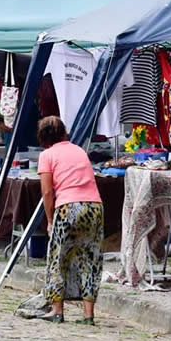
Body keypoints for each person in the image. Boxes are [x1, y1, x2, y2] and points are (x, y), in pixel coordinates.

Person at [36, 116, 104, 325]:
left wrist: (49, 220)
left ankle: (57, 311)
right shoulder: (79, 150)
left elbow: (47, 191)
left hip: (68, 207)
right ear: (64, 132)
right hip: (94, 205)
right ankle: (88, 315)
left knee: (58, 259)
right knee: (90, 259)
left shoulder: (47, 155)